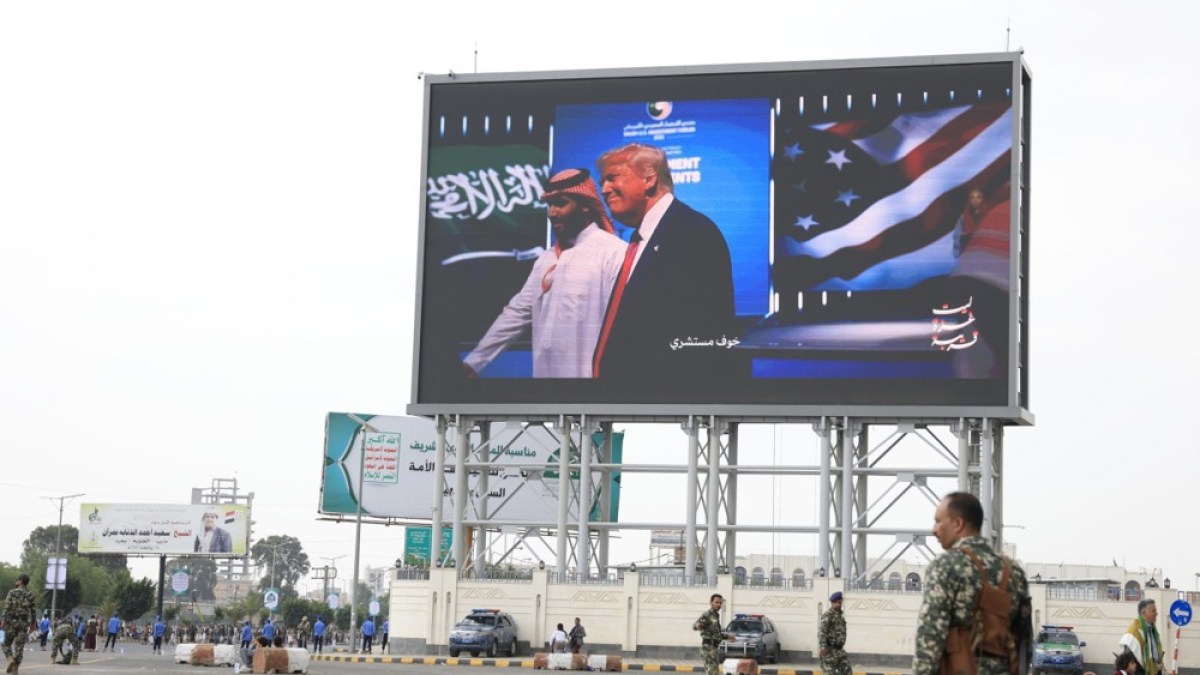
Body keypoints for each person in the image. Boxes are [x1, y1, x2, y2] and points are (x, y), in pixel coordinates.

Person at [592, 143, 737, 386]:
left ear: (649, 179)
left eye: (612, 178)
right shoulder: (642, 239)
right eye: (602, 182)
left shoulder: (693, 233)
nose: (604, 190)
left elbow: (700, 337)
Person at [463, 167, 627, 379]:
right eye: (549, 205)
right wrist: (474, 363)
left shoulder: (613, 252)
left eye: (560, 203)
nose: (552, 213)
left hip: (592, 386)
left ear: (586, 206)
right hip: (545, 384)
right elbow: (517, 313)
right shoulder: (546, 259)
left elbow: (626, 326)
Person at [914, 492, 1029, 675]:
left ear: (958, 524)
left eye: (938, 521)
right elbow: (1024, 642)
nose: (934, 530)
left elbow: (931, 636)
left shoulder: (946, 565)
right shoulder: (1014, 571)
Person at [2, 573, 38, 674]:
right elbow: (33, 610)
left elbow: (7, 607)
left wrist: (3, 620)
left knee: (5, 643)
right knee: (19, 647)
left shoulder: (12, 592)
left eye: (17, 580)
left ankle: (10, 659)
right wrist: (33, 623)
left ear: (20, 581)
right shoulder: (30, 595)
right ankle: (15, 669)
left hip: (11, 622)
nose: (16, 581)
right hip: (23, 623)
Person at [1119, 599, 1164, 675]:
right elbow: (1129, 662)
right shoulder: (1134, 632)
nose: (1156, 613)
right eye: (1153, 611)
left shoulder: (1153, 630)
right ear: (1143, 612)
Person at [692, 593, 733, 675]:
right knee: (712, 672)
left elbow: (716, 634)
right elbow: (695, 625)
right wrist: (698, 625)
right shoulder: (707, 615)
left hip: (714, 648)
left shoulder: (716, 615)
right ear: (711, 602)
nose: (719, 605)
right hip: (708, 648)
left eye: (720, 603)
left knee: (714, 672)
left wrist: (728, 636)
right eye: (716, 602)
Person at [819, 591, 851, 675]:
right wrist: (823, 647)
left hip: (840, 651)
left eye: (840, 602)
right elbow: (822, 631)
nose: (839, 604)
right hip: (830, 651)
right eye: (837, 603)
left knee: (848, 672)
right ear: (832, 603)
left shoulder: (840, 616)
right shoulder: (828, 615)